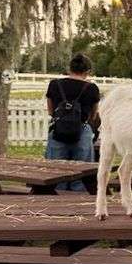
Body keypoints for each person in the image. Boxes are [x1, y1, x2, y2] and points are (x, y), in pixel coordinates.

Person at [45, 53, 100, 192]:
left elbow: (51, 111)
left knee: (56, 172)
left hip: (58, 131)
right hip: (82, 131)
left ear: (69, 69)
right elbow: (93, 115)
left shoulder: (54, 84)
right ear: (87, 72)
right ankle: (77, 202)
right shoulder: (92, 88)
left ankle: (57, 201)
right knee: (82, 173)